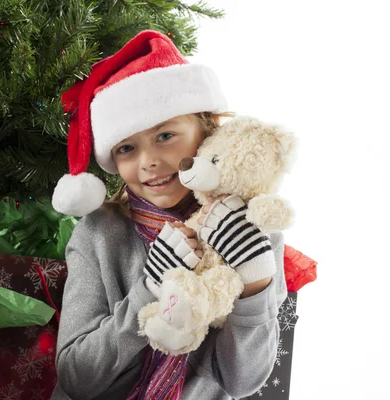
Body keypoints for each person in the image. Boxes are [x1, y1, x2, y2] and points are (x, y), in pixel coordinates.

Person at [50, 30, 287, 400]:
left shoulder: (255, 229)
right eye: (127, 148)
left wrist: (255, 285)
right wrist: (151, 288)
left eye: (165, 136)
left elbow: (242, 381)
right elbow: (77, 376)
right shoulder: (99, 232)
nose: (149, 162)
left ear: (206, 128)